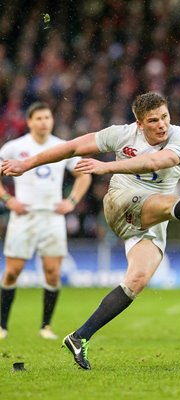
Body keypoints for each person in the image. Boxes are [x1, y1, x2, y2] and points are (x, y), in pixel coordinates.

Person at [1, 92, 180, 367]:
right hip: (121, 201)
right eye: (153, 120)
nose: (162, 125)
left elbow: (156, 162)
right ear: (139, 123)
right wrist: (26, 164)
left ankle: (79, 337)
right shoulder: (121, 134)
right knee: (167, 202)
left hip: (151, 215)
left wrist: (107, 165)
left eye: (165, 117)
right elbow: (73, 147)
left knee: (137, 280)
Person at [0, 101, 91, 340]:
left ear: (52, 121)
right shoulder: (15, 147)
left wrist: (71, 201)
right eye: (38, 118)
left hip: (52, 217)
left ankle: (46, 326)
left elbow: (83, 174)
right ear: (29, 122)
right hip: (24, 216)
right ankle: (2, 326)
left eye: (47, 118)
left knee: (52, 272)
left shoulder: (61, 147)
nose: (44, 122)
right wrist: (9, 200)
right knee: (12, 272)